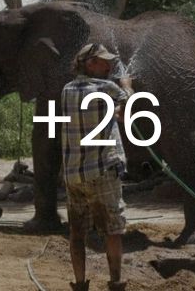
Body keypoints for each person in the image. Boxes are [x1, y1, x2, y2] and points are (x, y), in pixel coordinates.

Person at [61, 42, 134, 291]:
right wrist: (128, 87)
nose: (109, 65)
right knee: (112, 230)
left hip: (73, 176)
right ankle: (115, 283)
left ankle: (80, 284)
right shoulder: (108, 87)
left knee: (77, 232)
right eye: (104, 61)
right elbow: (128, 114)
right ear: (90, 63)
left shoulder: (67, 90)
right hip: (102, 172)